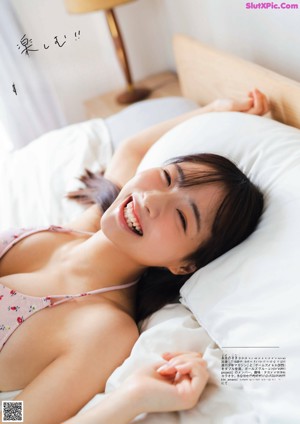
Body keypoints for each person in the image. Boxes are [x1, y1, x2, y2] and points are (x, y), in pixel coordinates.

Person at [0, 89, 269, 424]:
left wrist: (132, 398)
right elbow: (133, 148)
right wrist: (217, 108)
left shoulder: (104, 329)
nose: (151, 199)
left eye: (182, 217)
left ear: (183, 265)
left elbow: (15, 417)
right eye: (169, 177)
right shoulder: (81, 225)